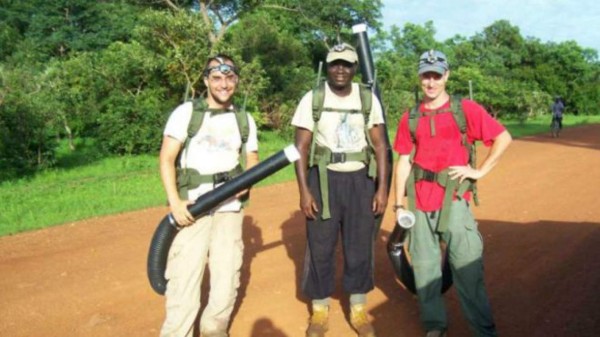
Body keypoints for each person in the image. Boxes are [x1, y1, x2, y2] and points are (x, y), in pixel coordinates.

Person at [392, 50, 512, 337]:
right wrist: (398, 205)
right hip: (419, 204)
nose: (431, 82)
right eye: (426, 75)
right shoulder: (410, 117)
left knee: (467, 269)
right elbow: (404, 161)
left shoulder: (465, 109)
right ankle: (435, 326)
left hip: (455, 203)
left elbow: (503, 138)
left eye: (436, 75)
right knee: (425, 270)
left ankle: (483, 331)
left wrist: (479, 172)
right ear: (419, 77)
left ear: (446, 75)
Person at [291, 42, 389, 337]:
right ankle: (320, 310)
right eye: (335, 64)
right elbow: (301, 147)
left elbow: (381, 145)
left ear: (355, 68)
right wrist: (304, 191)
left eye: (347, 64)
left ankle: (358, 309)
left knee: (359, 244)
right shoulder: (313, 98)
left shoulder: (367, 98)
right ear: (328, 66)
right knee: (320, 245)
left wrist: (382, 189)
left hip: (360, 180)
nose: (340, 69)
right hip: (322, 180)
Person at [158, 54, 259, 337]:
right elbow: (166, 159)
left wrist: (247, 182)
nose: (223, 84)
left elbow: (252, 157)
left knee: (226, 283)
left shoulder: (244, 119)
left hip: (229, 209)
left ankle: (215, 331)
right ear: (206, 81)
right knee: (184, 284)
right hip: (192, 210)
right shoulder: (186, 114)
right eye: (216, 78)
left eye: (229, 78)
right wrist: (175, 203)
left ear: (236, 80)